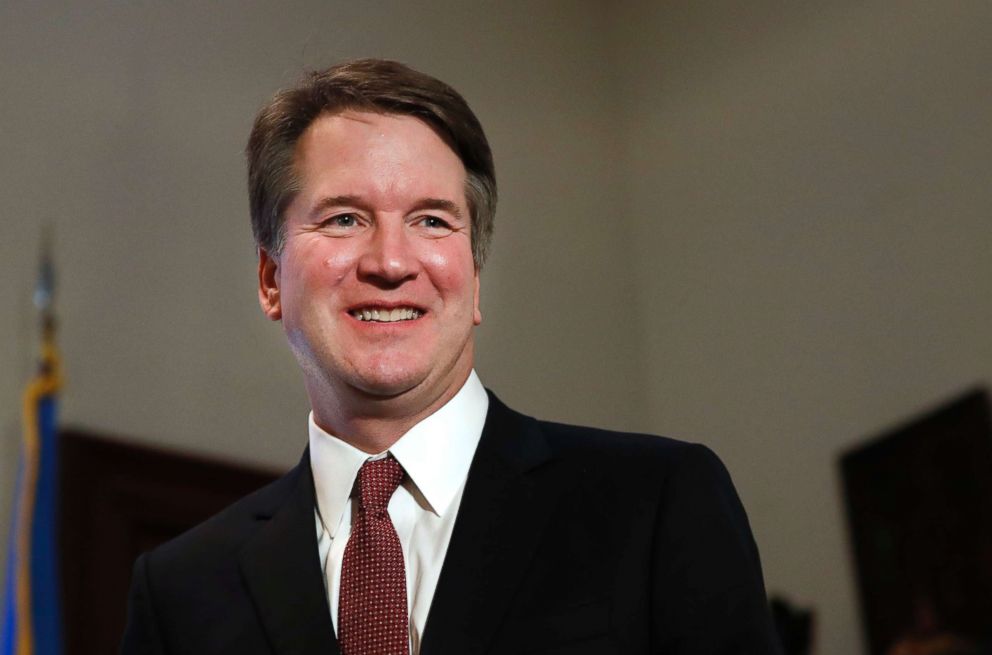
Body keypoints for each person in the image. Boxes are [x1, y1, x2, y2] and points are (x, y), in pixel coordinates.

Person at [121, 59, 781, 655]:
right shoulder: (180, 591)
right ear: (271, 279)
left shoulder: (655, 503)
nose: (390, 262)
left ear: (473, 279)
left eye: (432, 220)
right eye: (345, 218)